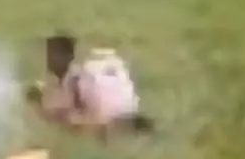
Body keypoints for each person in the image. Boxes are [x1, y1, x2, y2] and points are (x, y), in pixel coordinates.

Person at [24, 33, 155, 136]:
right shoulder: (80, 75)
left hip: (112, 123)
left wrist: (40, 106)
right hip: (126, 116)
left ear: (66, 56)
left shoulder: (78, 80)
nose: (47, 59)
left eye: (51, 54)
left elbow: (76, 119)